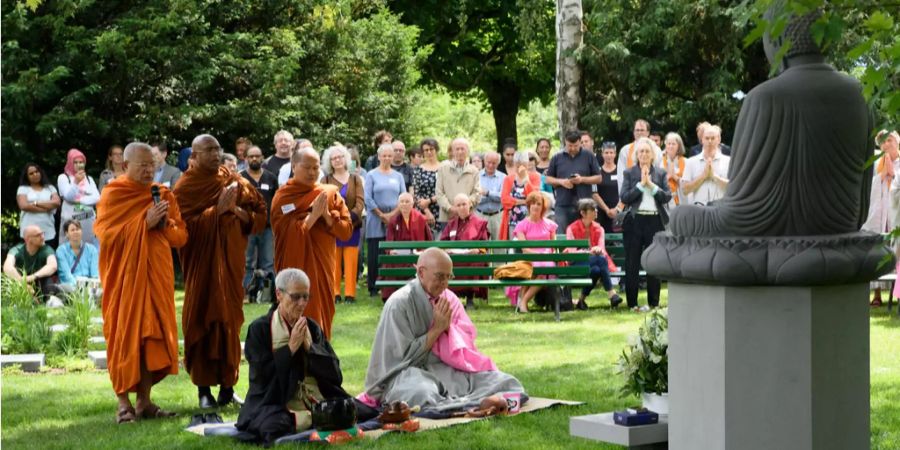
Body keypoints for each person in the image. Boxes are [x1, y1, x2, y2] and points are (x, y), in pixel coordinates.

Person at [359, 248, 526, 412]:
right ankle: (471, 404)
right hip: (409, 375)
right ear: (421, 273)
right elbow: (399, 361)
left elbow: (465, 343)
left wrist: (450, 330)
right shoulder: (399, 304)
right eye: (439, 277)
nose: (445, 283)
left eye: (448, 277)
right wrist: (437, 330)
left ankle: (462, 404)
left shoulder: (449, 299)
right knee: (422, 393)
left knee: (507, 382)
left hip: (446, 370)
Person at [94, 142, 188, 423]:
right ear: (125, 166)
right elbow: (105, 234)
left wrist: (164, 225)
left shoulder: (163, 195)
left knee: (151, 336)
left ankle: (144, 402)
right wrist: (143, 223)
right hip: (124, 277)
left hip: (156, 274)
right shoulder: (114, 194)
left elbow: (180, 237)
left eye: (153, 165)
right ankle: (123, 403)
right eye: (143, 165)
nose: (150, 170)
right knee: (125, 334)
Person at [175, 134, 267, 409]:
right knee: (201, 321)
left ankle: (228, 387)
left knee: (229, 321)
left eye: (217, 149)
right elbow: (182, 228)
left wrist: (236, 211)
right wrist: (216, 211)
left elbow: (260, 211)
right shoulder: (185, 187)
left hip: (230, 263)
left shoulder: (232, 179)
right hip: (202, 268)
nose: (215, 154)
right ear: (195, 155)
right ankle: (204, 391)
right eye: (208, 150)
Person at [236, 268, 377, 445]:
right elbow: (261, 378)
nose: (302, 303)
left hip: (317, 399)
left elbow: (335, 376)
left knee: (359, 410)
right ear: (279, 294)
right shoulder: (260, 329)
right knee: (271, 425)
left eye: (306, 297)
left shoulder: (311, 327)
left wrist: (312, 349)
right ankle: (320, 423)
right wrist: (290, 348)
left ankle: (311, 424)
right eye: (295, 297)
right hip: (278, 403)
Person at [272, 147, 352, 340]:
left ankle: (320, 355)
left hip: (322, 267)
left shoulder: (329, 193)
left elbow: (346, 231)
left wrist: (326, 216)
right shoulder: (284, 197)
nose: (312, 172)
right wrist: (313, 217)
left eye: (315, 167)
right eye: (306, 167)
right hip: (296, 266)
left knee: (321, 314)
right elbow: (282, 232)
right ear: (293, 166)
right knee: (297, 312)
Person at [620, 137, 671, 311]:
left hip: (655, 220)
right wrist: (641, 186)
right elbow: (625, 197)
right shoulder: (629, 173)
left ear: (653, 155)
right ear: (636, 154)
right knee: (632, 262)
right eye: (641, 151)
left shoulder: (661, 173)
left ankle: (654, 303)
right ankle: (632, 303)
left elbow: (666, 197)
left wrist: (651, 185)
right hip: (634, 221)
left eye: (647, 151)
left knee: (653, 262)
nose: (644, 154)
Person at [321, 145, 364, 304]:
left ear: (345, 158)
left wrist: (348, 218)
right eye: (334, 158)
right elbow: (322, 201)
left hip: (352, 225)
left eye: (340, 157)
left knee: (351, 260)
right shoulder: (325, 180)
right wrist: (334, 220)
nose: (337, 160)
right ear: (329, 162)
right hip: (332, 226)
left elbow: (360, 203)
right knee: (334, 260)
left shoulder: (355, 178)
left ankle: (350, 294)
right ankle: (335, 292)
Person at [364, 144, 406, 297]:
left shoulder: (398, 176)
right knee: (375, 252)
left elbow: (403, 197)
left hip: (395, 220)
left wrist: (393, 215)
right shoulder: (371, 175)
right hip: (375, 219)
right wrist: (381, 215)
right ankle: (373, 286)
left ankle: (390, 283)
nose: (387, 158)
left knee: (392, 252)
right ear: (379, 156)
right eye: (385, 155)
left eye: (390, 155)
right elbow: (367, 197)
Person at [565, 199, 622, 310]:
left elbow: (602, 248)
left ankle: (581, 300)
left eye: (596, 209)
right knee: (600, 260)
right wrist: (589, 252)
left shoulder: (599, 228)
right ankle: (611, 293)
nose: (596, 211)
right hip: (575, 263)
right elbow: (572, 253)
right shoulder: (571, 228)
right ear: (583, 213)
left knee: (596, 270)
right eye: (592, 209)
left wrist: (598, 249)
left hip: (594, 261)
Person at [240, 145, 278, 297]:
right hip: (247, 228)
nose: (254, 159)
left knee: (268, 263)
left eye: (257, 156)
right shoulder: (240, 178)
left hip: (268, 228)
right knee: (247, 263)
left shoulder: (271, 178)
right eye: (251, 156)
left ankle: (267, 294)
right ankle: (246, 294)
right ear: (246, 159)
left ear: (262, 158)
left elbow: (276, 202)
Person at [545, 130, 602, 233]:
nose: (572, 148)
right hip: (563, 204)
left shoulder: (588, 156)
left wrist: (582, 179)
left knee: (585, 234)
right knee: (562, 235)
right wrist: (562, 182)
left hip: (584, 204)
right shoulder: (557, 157)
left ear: (580, 142)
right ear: (565, 142)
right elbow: (548, 179)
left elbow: (598, 178)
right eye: (569, 146)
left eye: (575, 146)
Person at [510, 192, 558, 313]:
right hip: (530, 257)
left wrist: (548, 256)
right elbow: (524, 248)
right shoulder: (521, 225)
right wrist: (539, 255)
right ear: (528, 206)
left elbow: (554, 246)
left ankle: (523, 302)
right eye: (533, 203)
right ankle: (523, 303)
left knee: (544, 269)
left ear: (543, 207)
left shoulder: (550, 224)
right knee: (534, 270)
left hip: (547, 260)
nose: (536, 206)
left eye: (539, 204)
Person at [440, 194, 489, 309]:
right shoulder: (451, 223)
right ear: (455, 207)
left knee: (474, 262)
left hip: (471, 257)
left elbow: (484, 245)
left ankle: (470, 298)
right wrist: (446, 249)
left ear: (470, 205)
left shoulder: (479, 223)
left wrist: (477, 250)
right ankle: (452, 298)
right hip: (454, 257)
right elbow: (443, 242)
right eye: (459, 205)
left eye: (464, 204)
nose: (462, 207)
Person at [382, 193, 433, 302]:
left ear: (412, 204)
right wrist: (391, 251)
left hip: (416, 255)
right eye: (402, 202)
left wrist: (423, 251)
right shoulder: (393, 220)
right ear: (398, 204)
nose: (404, 204)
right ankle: (391, 297)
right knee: (390, 262)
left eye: (407, 202)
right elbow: (389, 242)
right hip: (399, 256)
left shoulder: (420, 218)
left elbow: (428, 241)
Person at [3, 225, 60, 301]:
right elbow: (7, 267)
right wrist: (23, 283)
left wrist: (32, 277)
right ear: (27, 239)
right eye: (38, 235)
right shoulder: (16, 250)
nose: (42, 237)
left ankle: (49, 302)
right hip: (20, 283)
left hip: (39, 283)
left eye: (42, 233)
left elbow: (53, 266)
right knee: (11, 280)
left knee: (47, 280)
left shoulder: (46, 249)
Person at [435, 137, 481, 231]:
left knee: (467, 245)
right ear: (452, 151)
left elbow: (477, 193)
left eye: (462, 149)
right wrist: (450, 208)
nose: (460, 152)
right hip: (447, 217)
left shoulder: (474, 171)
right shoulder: (443, 168)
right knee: (448, 245)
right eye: (457, 149)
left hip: (468, 217)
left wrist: (464, 207)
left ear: (467, 151)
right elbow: (439, 193)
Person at [58, 148, 100, 246]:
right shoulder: (63, 178)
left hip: (89, 223)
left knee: (88, 250)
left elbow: (97, 198)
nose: (78, 165)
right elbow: (69, 196)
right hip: (71, 222)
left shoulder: (89, 179)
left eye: (81, 162)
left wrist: (79, 199)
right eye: (75, 162)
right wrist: (76, 182)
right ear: (70, 163)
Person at [862, 130, 900, 233]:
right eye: (882, 142)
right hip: (879, 217)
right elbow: (866, 187)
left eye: (889, 140)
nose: (886, 144)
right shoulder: (875, 163)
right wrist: (881, 176)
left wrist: (893, 175)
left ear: (897, 142)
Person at [681, 124, 729, 206]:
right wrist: (703, 176)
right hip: (699, 210)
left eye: (713, 138)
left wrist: (714, 176)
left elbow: (733, 188)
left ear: (719, 140)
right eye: (707, 138)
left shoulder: (728, 161)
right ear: (702, 140)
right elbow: (685, 190)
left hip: (720, 210)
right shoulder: (691, 162)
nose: (710, 141)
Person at [17, 163, 61, 247]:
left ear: (41, 172)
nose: (35, 174)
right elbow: (23, 205)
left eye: (37, 171)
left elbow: (57, 202)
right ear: (27, 176)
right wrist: (46, 208)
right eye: (31, 173)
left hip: (48, 231)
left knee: (48, 257)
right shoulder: (23, 189)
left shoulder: (50, 188)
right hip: (28, 232)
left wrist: (36, 203)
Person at [499, 152, 541, 240]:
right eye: (517, 166)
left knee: (530, 245)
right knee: (513, 246)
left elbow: (535, 197)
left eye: (523, 165)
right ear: (514, 165)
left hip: (530, 218)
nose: (520, 168)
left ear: (527, 164)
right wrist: (524, 201)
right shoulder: (508, 179)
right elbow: (504, 200)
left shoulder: (534, 177)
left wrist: (526, 181)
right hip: (513, 219)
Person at [617, 119, 662, 192]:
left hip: (651, 191)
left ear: (648, 133)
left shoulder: (657, 150)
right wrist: (622, 197)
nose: (639, 133)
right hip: (631, 193)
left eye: (642, 130)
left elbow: (660, 174)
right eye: (637, 130)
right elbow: (621, 177)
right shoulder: (625, 150)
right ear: (634, 132)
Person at [55, 219, 100, 291]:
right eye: (72, 230)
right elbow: (66, 275)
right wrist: (79, 288)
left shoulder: (92, 249)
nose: (76, 232)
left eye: (78, 229)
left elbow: (95, 274)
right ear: (67, 233)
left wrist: (90, 287)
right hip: (70, 286)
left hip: (89, 285)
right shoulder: (61, 251)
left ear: (81, 231)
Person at [411, 138, 442, 234]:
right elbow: (416, 193)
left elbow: (446, 190)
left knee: (441, 246)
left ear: (436, 150)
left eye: (431, 149)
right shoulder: (418, 170)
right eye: (426, 150)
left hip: (442, 210)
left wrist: (430, 200)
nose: (429, 152)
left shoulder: (444, 168)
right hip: (423, 212)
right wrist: (427, 211)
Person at [475, 151, 505, 241]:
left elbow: (502, 197)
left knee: (500, 247)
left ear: (498, 163)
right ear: (484, 161)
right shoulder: (476, 176)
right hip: (480, 215)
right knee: (481, 246)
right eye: (489, 162)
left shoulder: (503, 177)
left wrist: (487, 193)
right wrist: (494, 195)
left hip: (498, 216)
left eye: (494, 163)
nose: (491, 165)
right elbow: (475, 197)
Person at [592, 141, 619, 233]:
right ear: (602, 154)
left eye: (611, 152)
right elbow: (594, 194)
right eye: (606, 152)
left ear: (615, 154)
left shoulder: (621, 171)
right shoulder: (597, 172)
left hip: (618, 211)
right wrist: (607, 210)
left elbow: (624, 192)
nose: (609, 155)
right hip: (601, 212)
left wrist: (616, 209)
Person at [659, 132, 687, 209]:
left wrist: (675, 176)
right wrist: (667, 177)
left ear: (679, 146)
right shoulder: (659, 161)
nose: (671, 146)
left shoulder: (686, 162)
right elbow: (656, 182)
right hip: (664, 201)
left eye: (673, 144)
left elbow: (688, 184)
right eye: (669, 143)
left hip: (681, 200)